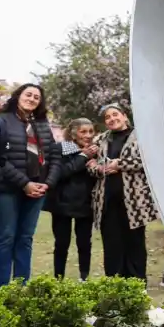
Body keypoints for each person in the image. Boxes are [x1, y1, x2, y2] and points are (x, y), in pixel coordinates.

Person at [0, 83, 61, 286]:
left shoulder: (42, 125)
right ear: (18, 96)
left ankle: (21, 288)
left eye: (36, 97)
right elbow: (0, 159)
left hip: (38, 191)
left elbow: (54, 156)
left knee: (25, 239)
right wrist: (25, 183)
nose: (32, 99)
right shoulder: (2, 121)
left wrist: (47, 183)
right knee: (6, 238)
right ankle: (1, 290)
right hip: (7, 190)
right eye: (28, 94)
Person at [90, 104, 160, 281]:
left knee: (134, 245)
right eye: (107, 117)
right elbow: (90, 164)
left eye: (115, 114)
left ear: (124, 116)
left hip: (134, 203)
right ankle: (114, 286)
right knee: (112, 246)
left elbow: (149, 160)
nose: (112, 119)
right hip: (106, 202)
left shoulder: (141, 136)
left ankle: (136, 286)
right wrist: (99, 169)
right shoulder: (100, 140)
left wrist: (120, 164)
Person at [48, 118, 99, 280]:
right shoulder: (60, 148)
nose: (88, 135)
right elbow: (61, 173)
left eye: (91, 131)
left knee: (84, 243)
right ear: (73, 133)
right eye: (83, 132)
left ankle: (84, 278)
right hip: (62, 204)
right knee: (61, 244)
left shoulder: (96, 150)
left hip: (86, 204)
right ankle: (59, 278)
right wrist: (83, 156)